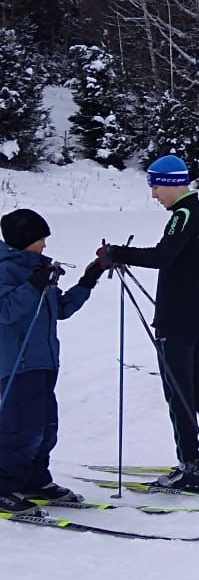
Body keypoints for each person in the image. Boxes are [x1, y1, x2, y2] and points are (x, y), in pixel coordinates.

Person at [95, 155, 199, 489]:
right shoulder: (197, 212)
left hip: (178, 319)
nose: (154, 194)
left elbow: (162, 256)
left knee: (180, 391)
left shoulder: (184, 214)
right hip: (196, 315)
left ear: (170, 184)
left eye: (155, 186)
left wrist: (119, 253)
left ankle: (189, 466)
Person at [0, 210, 104, 516]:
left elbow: (60, 308)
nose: (45, 245)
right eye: (40, 239)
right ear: (23, 240)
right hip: (16, 364)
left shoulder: (40, 268)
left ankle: (34, 480)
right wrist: (33, 286)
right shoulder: (6, 270)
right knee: (21, 430)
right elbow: (5, 311)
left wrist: (89, 279)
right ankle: (5, 487)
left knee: (46, 428)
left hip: (44, 361)